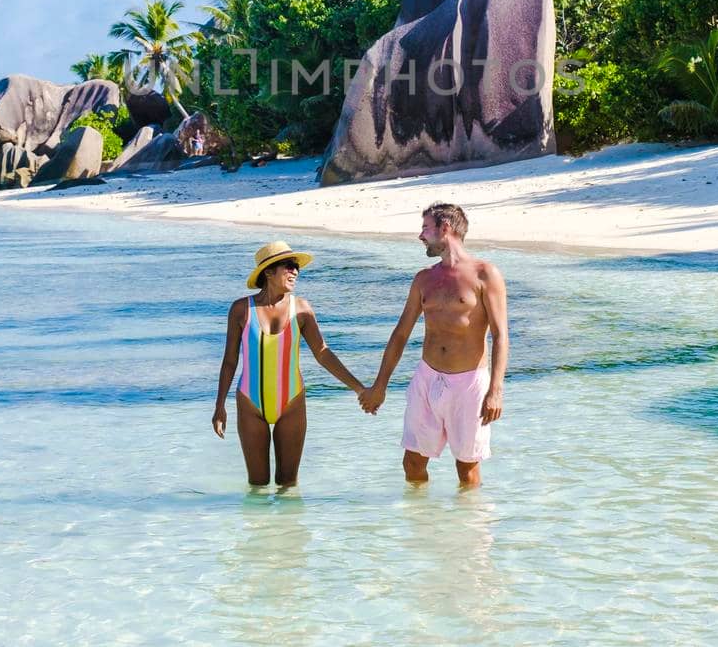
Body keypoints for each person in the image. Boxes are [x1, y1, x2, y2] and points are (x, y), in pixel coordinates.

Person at [359, 203, 508, 488]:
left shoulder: (484, 274)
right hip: (427, 379)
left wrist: (495, 391)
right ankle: (421, 527)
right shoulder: (424, 278)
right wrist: (380, 385)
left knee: (467, 469)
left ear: (445, 228)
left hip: (469, 383)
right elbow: (400, 334)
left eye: (426, 228)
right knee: (412, 463)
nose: (421, 236)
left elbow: (500, 335)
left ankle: (469, 530)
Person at [212, 240, 366, 489]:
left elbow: (323, 353)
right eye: (288, 266)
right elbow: (230, 360)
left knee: (288, 485)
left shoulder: (302, 309)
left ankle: (290, 529)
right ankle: (261, 528)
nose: (295, 271)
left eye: (297, 267)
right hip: (250, 403)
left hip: (291, 402)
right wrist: (219, 406)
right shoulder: (241, 309)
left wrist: (359, 389)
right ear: (269, 272)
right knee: (257, 486)